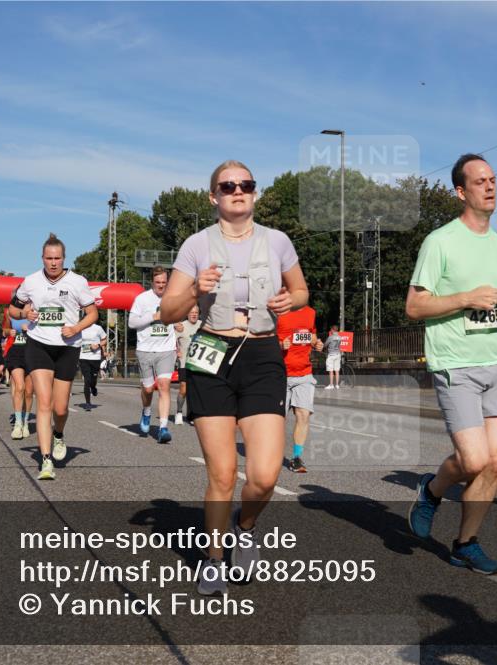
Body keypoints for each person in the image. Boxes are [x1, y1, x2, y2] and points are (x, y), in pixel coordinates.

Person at [161, 159, 307, 595]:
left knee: (263, 476)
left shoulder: (277, 241)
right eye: (227, 186)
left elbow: (301, 290)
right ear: (214, 197)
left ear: (255, 193)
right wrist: (193, 290)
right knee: (223, 473)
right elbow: (168, 311)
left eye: (245, 184)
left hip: (261, 352)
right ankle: (214, 559)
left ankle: (246, 527)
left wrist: (289, 300)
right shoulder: (196, 246)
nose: (237, 191)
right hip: (211, 352)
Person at [405, 153, 497, 575]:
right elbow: (414, 305)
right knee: (473, 460)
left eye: (493, 179)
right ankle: (431, 489)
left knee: (496, 462)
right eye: (480, 181)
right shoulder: (440, 242)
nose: (490, 186)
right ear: (461, 191)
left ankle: (465, 543)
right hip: (455, 364)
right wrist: (463, 298)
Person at [8, 233, 98, 481]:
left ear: (64, 258)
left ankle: (59, 434)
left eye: (57, 258)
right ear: (42, 258)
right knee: (44, 403)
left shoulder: (78, 282)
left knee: (60, 408)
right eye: (49, 258)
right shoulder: (31, 281)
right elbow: (12, 309)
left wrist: (76, 328)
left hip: (68, 347)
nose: (53, 263)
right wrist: (25, 311)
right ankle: (46, 461)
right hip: (39, 346)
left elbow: (92, 314)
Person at [128, 268, 178, 443]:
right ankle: (146, 410)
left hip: (166, 349)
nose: (161, 286)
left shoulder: (172, 297)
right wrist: (153, 316)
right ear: (152, 282)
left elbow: (178, 315)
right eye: (158, 283)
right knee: (148, 389)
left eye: (164, 283)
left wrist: (178, 324)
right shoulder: (142, 299)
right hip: (145, 349)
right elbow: (132, 322)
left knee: (164, 385)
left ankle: (163, 428)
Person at [277, 305, 324, 472]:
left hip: (304, 374)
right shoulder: (278, 310)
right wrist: (280, 345)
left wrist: (317, 344)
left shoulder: (310, 312)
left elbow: (311, 335)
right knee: (276, 420)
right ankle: (269, 453)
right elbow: (263, 338)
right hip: (279, 375)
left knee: (303, 415)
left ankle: (296, 458)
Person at [5, 316, 34, 440]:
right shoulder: (12, 314)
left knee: (28, 392)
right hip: (16, 352)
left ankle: (25, 422)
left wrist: (30, 330)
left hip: (32, 353)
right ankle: (18, 424)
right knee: (20, 386)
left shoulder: (37, 309)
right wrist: (8, 332)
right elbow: (4, 330)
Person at [174, 306, 201, 425]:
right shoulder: (181, 326)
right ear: (187, 314)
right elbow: (171, 340)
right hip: (184, 362)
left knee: (196, 390)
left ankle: (192, 415)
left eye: (196, 312)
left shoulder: (203, 325)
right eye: (191, 313)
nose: (194, 315)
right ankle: (179, 412)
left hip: (199, 363)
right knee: (184, 389)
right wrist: (176, 350)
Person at [79, 316, 107, 410]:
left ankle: (93, 387)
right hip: (83, 357)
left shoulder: (98, 328)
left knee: (93, 380)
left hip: (95, 358)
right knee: (87, 380)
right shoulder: (80, 327)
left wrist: (98, 345)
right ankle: (88, 403)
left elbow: (105, 339)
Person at [323, 325, 343, 389]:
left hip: (331, 355)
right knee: (337, 370)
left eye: (331, 329)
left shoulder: (330, 337)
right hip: (338, 354)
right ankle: (337, 385)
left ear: (332, 330)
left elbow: (325, 345)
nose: (330, 331)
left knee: (331, 370)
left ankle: (331, 385)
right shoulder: (340, 337)